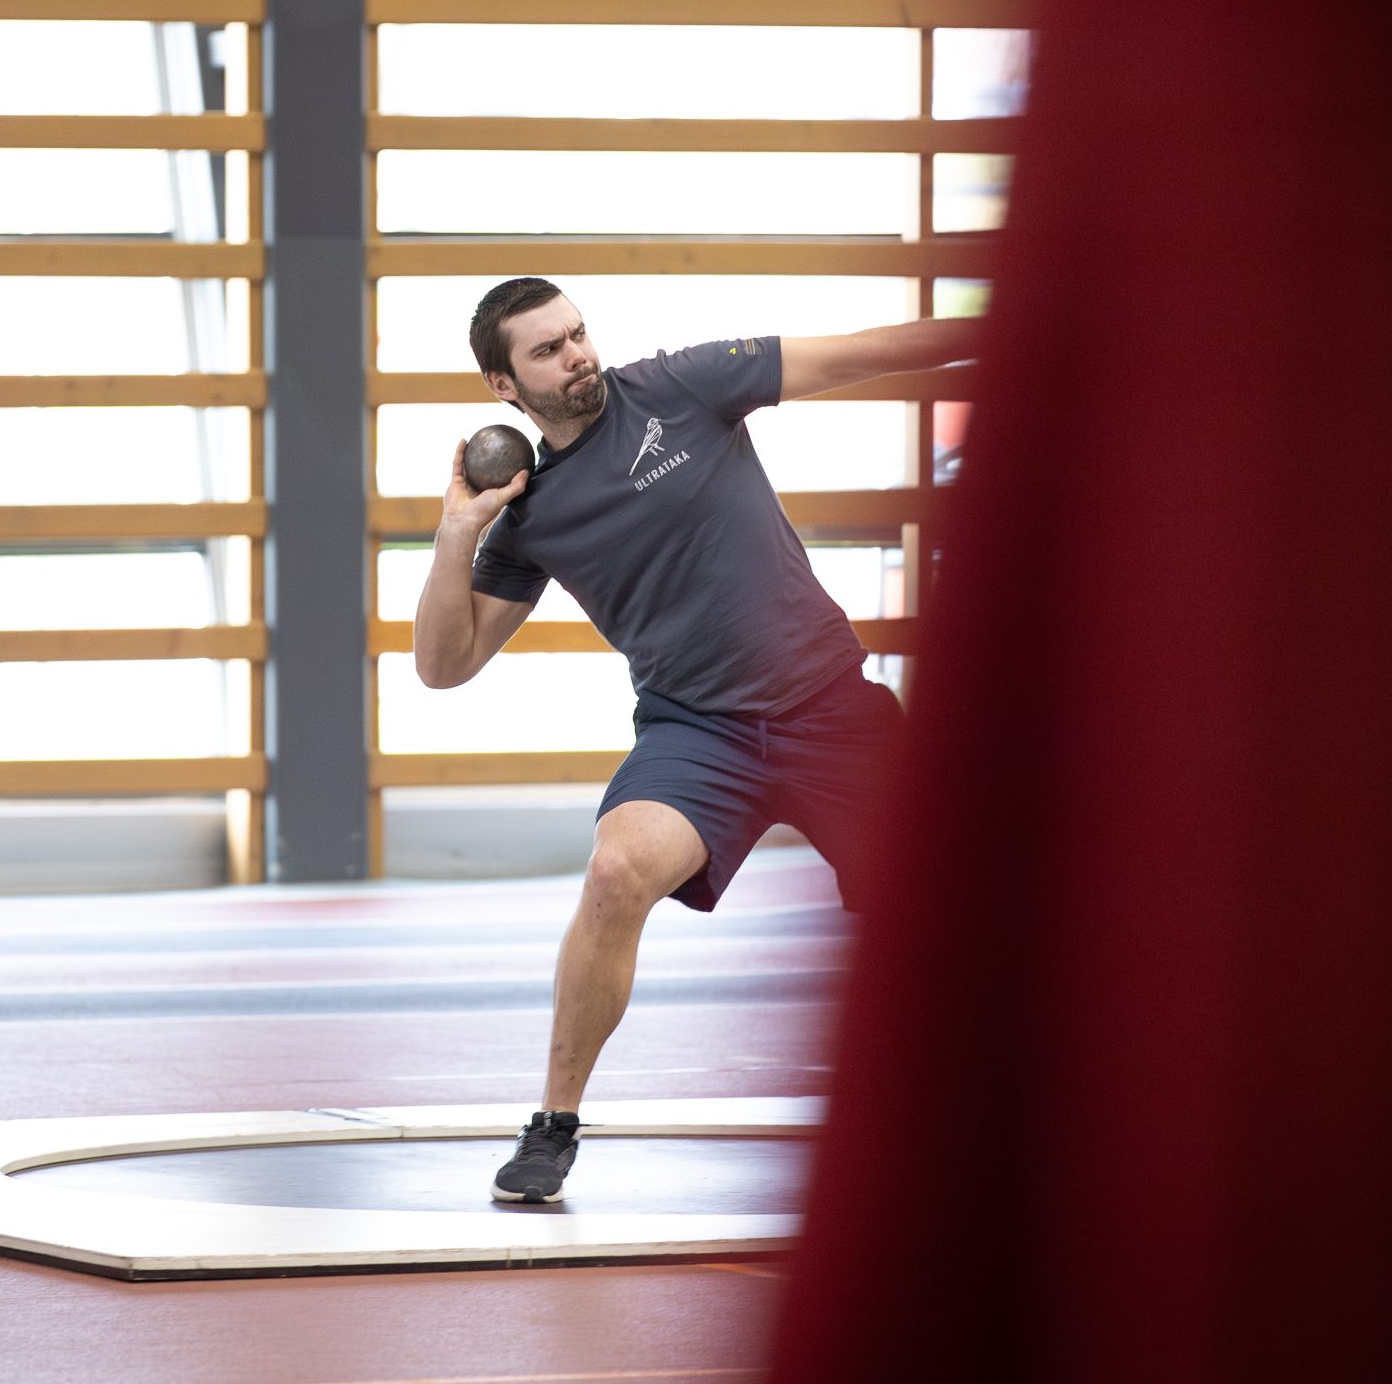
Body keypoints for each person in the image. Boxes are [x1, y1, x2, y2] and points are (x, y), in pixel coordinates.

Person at [412, 277, 978, 1204]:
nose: (577, 354)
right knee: (615, 872)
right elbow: (445, 663)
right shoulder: (531, 512)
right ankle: (553, 1125)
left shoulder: (682, 385)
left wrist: (1008, 327)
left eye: (577, 332)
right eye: (548, 349)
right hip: (698, 732)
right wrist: (456, 531)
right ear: (503, 385)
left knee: (942, 909)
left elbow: (864, 351)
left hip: (833, 710)